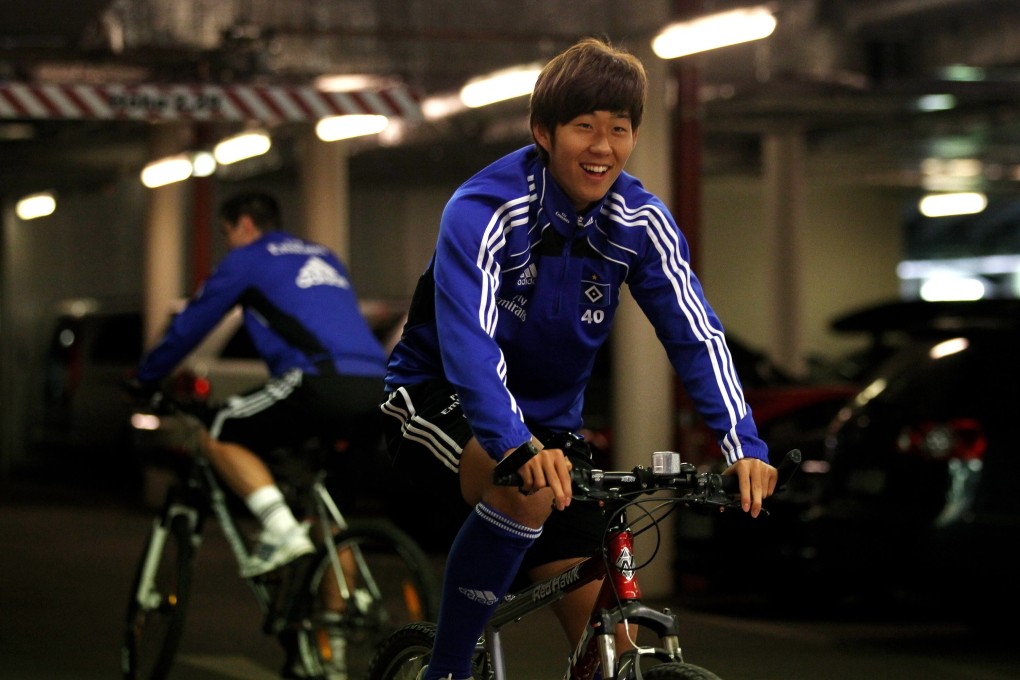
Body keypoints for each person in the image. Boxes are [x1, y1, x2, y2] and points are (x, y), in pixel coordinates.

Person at [379, 37, 778, 680]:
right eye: (584, 126)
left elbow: (695, 333)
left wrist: (743, 446)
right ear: (544, 132)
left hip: (551, 431)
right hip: (440, 398)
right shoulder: (485, 209)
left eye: (619, 129)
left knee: (609, 641)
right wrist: (514, 444)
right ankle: (446, 668)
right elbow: (470, 342)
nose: (603, 147)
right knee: (526, 489)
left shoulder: (639, 220)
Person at [134, 190, 388, 578]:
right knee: (331, 521)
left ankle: (281, 531)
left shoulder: (247, 259)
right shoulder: (325, 257)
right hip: (379, 389)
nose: (228, 243)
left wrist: (146, 377)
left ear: (246, 225)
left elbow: (192, 324)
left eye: (226, 233)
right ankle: (341, 617)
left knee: (217, 431)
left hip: (319, 378)